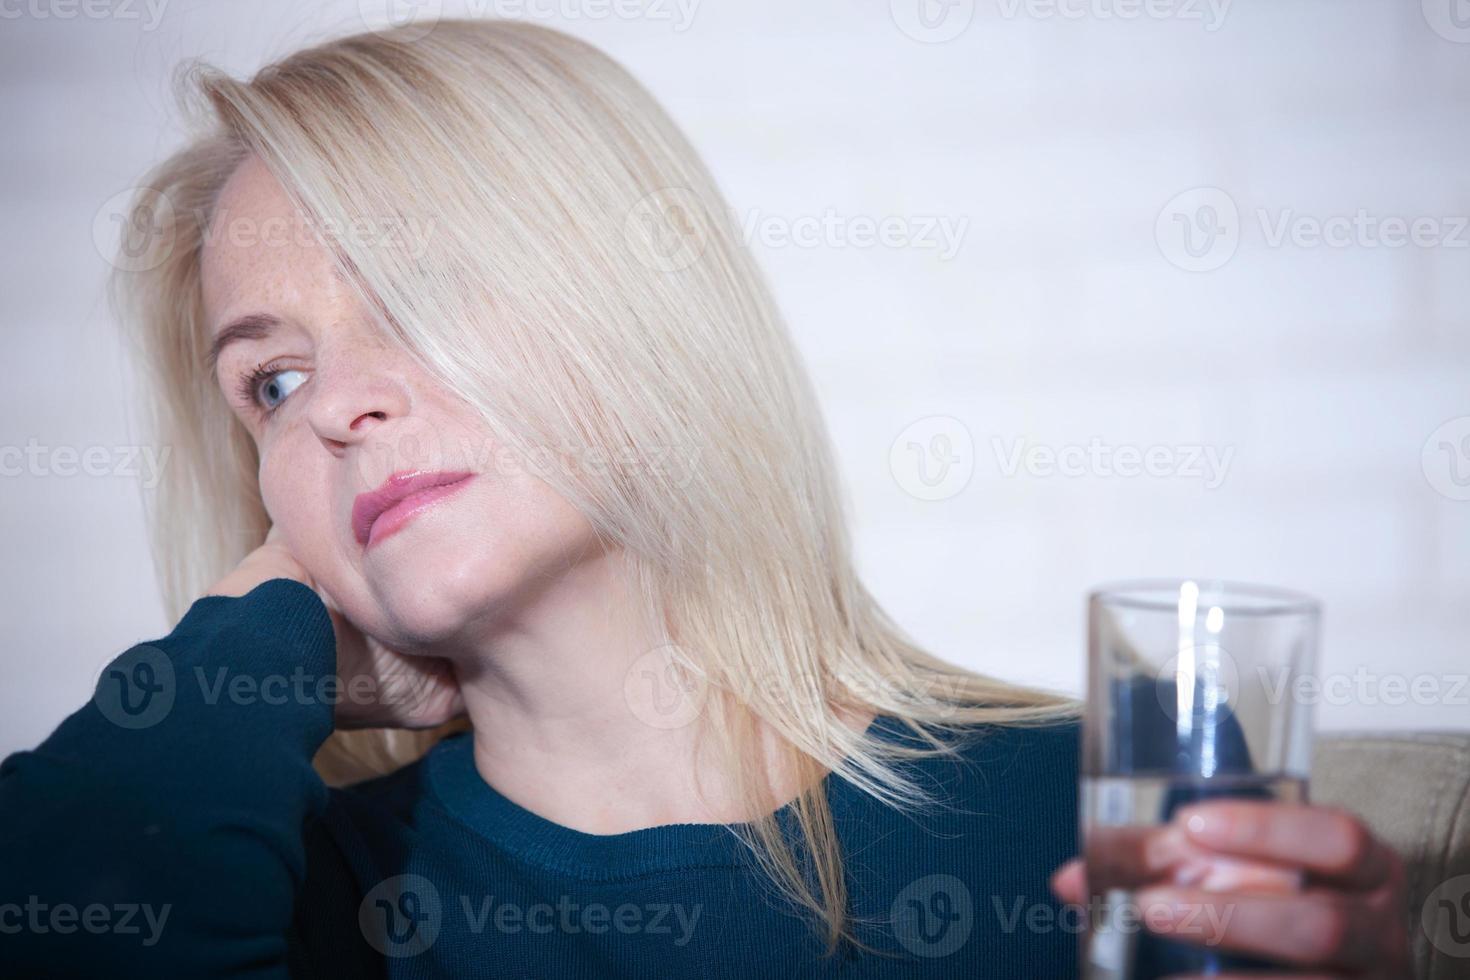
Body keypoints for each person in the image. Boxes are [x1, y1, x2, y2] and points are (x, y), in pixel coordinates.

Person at [0, 19, 1410, 978]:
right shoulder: (267, 891)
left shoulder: (1094, 815)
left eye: (415, 294)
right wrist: (240, 651)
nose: (339, 406)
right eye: (271, 384)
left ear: (640, 305)